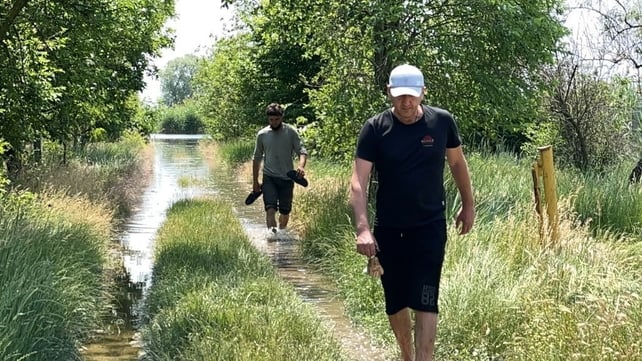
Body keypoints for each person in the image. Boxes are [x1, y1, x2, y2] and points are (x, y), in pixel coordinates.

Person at [349, 64, 475, 361]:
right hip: (389, 228)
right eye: (399, 96)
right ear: (389, 94)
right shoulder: (375, 129)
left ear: (423, 93)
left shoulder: (442, 122)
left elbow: (457, 163)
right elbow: (358, 181)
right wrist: (362, 228)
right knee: (396, 301)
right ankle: (407, 354)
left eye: (412, 96)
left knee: (426, 298)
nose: (406, 103)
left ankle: (423, 358)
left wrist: (468, 204)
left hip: (430, 226)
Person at [252, 102, 308, 236]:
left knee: (285, 212)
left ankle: (282, 234)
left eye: (277, 119)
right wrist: (255, 181)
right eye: (271, 119)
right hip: (269, 178)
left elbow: (302, 151)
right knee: (270, 209)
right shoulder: (262, 135)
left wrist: (301, 166)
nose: (274, 122)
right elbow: (256, 158)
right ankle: (272, 238)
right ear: (268, 119)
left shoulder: (290, 132)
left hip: (287, 178)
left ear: (282, 117)